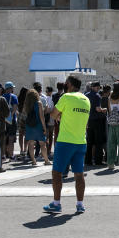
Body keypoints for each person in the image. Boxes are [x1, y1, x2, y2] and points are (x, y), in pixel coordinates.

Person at [45, 76, 91, 214]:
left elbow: (53, 115)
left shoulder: (66, 97)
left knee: (57, 172)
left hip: (65, 141)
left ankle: (56, 203)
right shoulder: (86, 99)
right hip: (81, 141)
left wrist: (59, 116)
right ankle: (80, 204)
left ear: (69, 85)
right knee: (79, 174)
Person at [22, 87, 49, 166]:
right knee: (42, 144)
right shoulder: (39, 103)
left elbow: (24, 116)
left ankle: (33, 161)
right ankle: (46, 160)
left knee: (30, 143)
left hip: (29, 126)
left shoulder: (26, 105)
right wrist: (44, 127)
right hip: (38, 125)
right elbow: (41, 117)